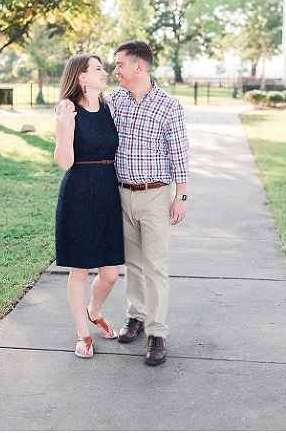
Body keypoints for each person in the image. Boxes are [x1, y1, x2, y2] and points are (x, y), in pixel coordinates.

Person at [105, 40, 189, 366]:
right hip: (122, 193)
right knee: (134, 264)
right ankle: (136, 317)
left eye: (120, 65)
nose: (116, 71)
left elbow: (179, 156)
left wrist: (180, 197)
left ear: (138, 66)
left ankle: (157, 333)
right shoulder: (114, 101)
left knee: (155, 266)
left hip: (155, 195)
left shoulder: (170, 106)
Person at [54, 54, 124, 358]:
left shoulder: (110, 109)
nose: (105, 72)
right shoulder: (69, 111)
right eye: (98, 69)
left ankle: (94, 311)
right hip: (79, 192)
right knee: (80, 270)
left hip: (108, 191)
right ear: (81, 77)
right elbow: (64, 162)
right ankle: (83, 333)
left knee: (110, 274)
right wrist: (64, 126)